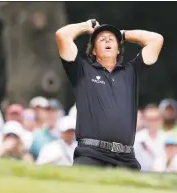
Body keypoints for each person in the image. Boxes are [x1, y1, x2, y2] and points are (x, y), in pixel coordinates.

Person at [55, 19, 163, 168]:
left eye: (112, 39)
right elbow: (62, 35)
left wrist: (123, 34)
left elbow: (156, 40)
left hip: (126, 158)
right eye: (102, 39)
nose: (107, 41)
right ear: (93, 50)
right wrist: (86, 27)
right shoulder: (82, 71)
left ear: (118, 49)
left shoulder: (131, 72)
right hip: (90, 154)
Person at [134, 104, 168, 171]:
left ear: (161, 120)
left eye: (155, 119)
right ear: (144, 120)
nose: (152, 122)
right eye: (149, 119)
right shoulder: (137, 138)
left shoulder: (167, 138)